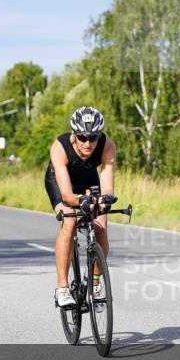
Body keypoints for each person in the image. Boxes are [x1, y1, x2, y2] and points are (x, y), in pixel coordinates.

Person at [44, 106, 116, 310]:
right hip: (61, 183)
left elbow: (107, 182)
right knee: (70, 220)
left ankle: (95, 285)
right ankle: (62, 288)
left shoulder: (107, 145)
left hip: (88, 180)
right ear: (73, 135)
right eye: (82, 137)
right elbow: (67, 194)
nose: (88, 143)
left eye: (93, 138)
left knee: (101, 229)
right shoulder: (59, 147)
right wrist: (80, 202)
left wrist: (105, 199)